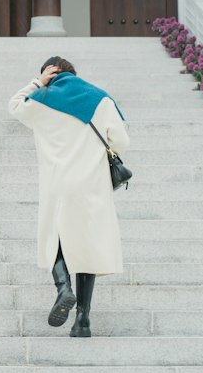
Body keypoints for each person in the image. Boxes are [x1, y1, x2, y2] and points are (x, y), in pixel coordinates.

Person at [8, 56, 129, 338]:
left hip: (56, 183)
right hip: (91, 183)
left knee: (55, 239)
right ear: (73, 73)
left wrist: (38, 82)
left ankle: (63, 288)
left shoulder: (42, 97)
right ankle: (82, 321)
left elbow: (14, 106)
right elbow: (122, 141)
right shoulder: (101, 99)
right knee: (85, 248)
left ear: (51, 73)